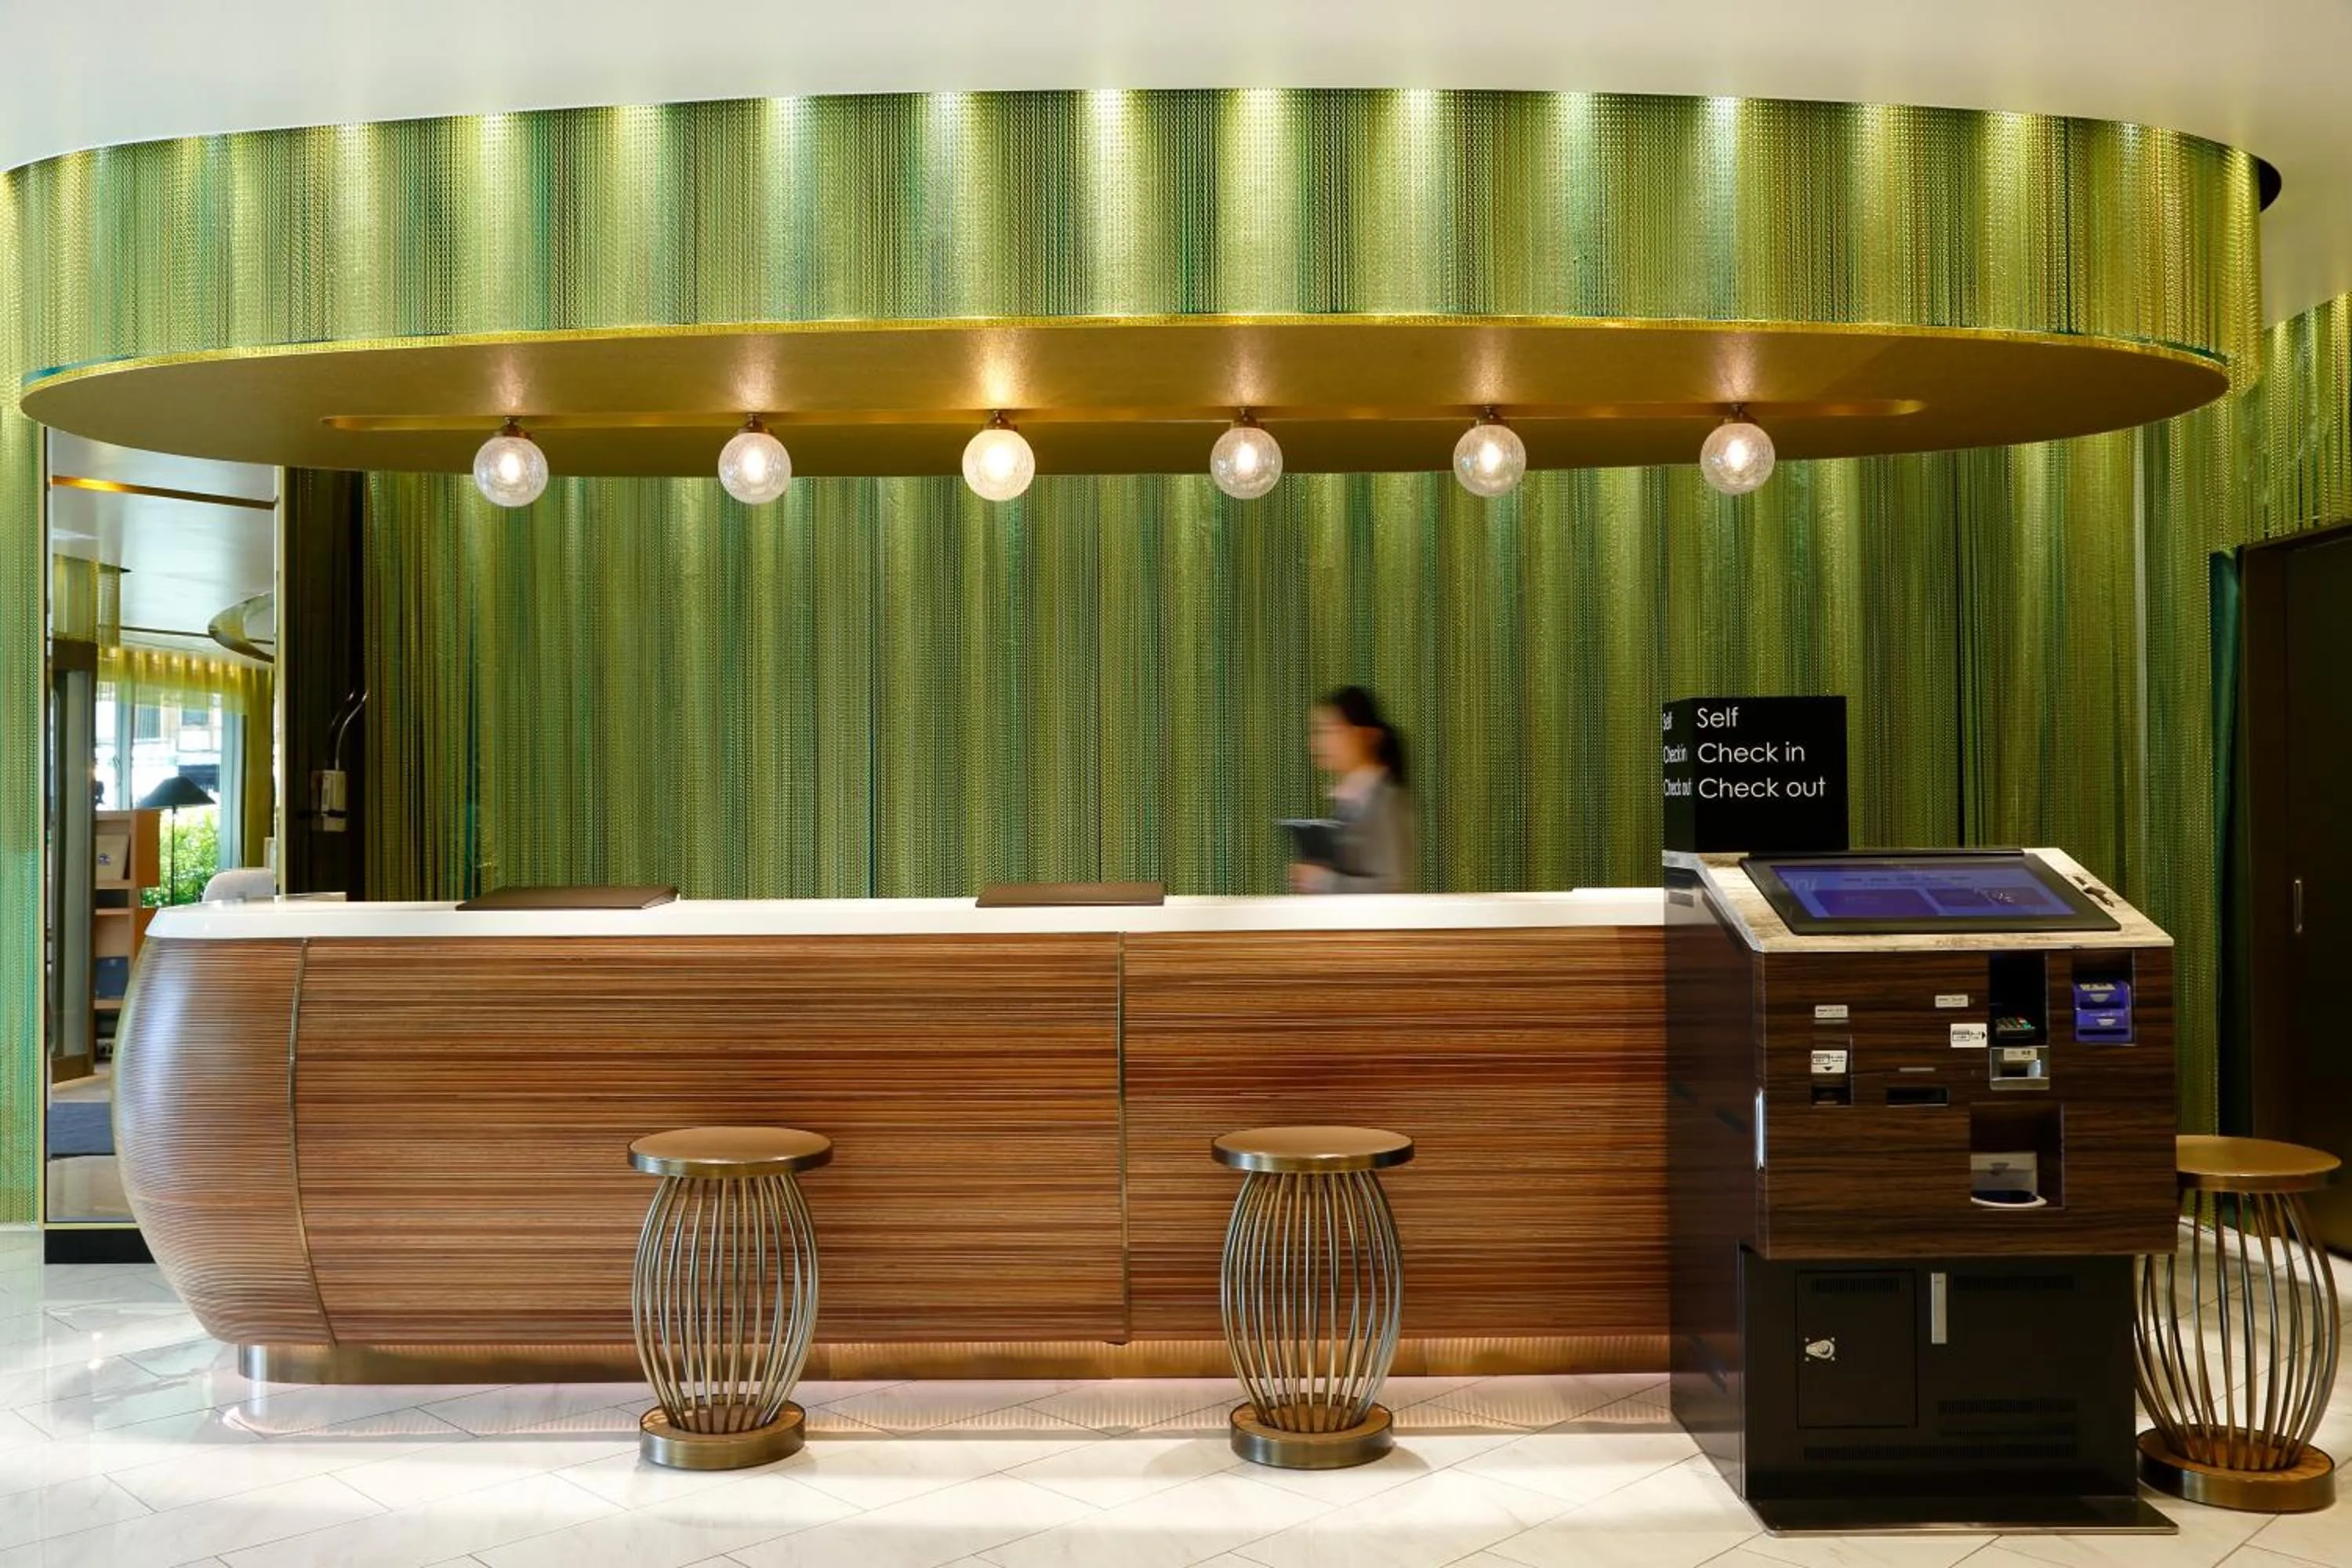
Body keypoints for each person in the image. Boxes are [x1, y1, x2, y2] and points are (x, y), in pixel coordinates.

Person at [1290, 686, 1416, 894]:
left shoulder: (1386, 801)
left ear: (1364, 735)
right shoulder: (1349, 800)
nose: (1318, 743)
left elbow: (1393, 885)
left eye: (1328, 731)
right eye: (1316, 732)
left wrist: (1322, 882)